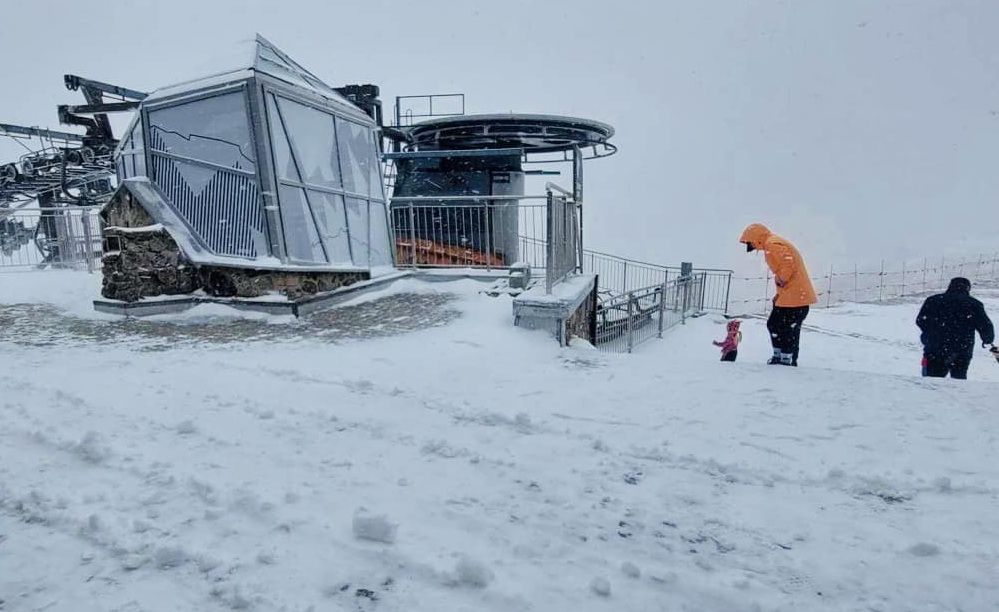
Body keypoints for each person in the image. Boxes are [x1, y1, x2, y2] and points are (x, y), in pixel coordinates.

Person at [739, 223, 818, 366]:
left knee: (781, 326)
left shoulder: (772, 243)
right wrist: (779, 294)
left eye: (750, 242)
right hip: (792, 295)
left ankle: (784, 359)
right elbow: (785, 267)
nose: (751, 247)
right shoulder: (772, 242)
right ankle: (784, 357)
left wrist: (782, 280)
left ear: (755, 237)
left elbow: (788, 264)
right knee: (784, 327)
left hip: (795, 296)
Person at [916, 277, 995, 379]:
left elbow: (921, 320)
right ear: (967, 289)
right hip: (962, 347)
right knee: (959, 378)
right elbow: (985, 325)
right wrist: (987, 338)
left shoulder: (933, 300)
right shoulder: (974, 304)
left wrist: (929, 333)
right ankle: (958, 393)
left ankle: (932, 393)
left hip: (935, 347)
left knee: (933, 380)